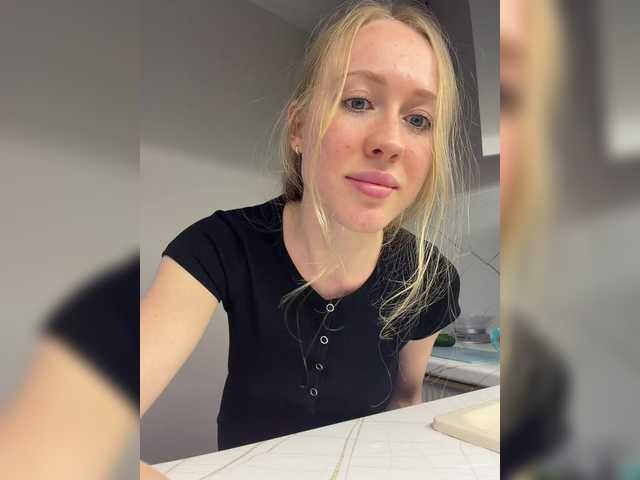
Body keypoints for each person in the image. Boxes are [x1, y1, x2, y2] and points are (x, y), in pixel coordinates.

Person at [141, 0, 467, 476]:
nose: (391, 141)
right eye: (358, 101)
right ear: (299, 128)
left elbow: (405, 402)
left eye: (419, 120)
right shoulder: (217, 246)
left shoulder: (429, 277)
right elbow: (76, 434)